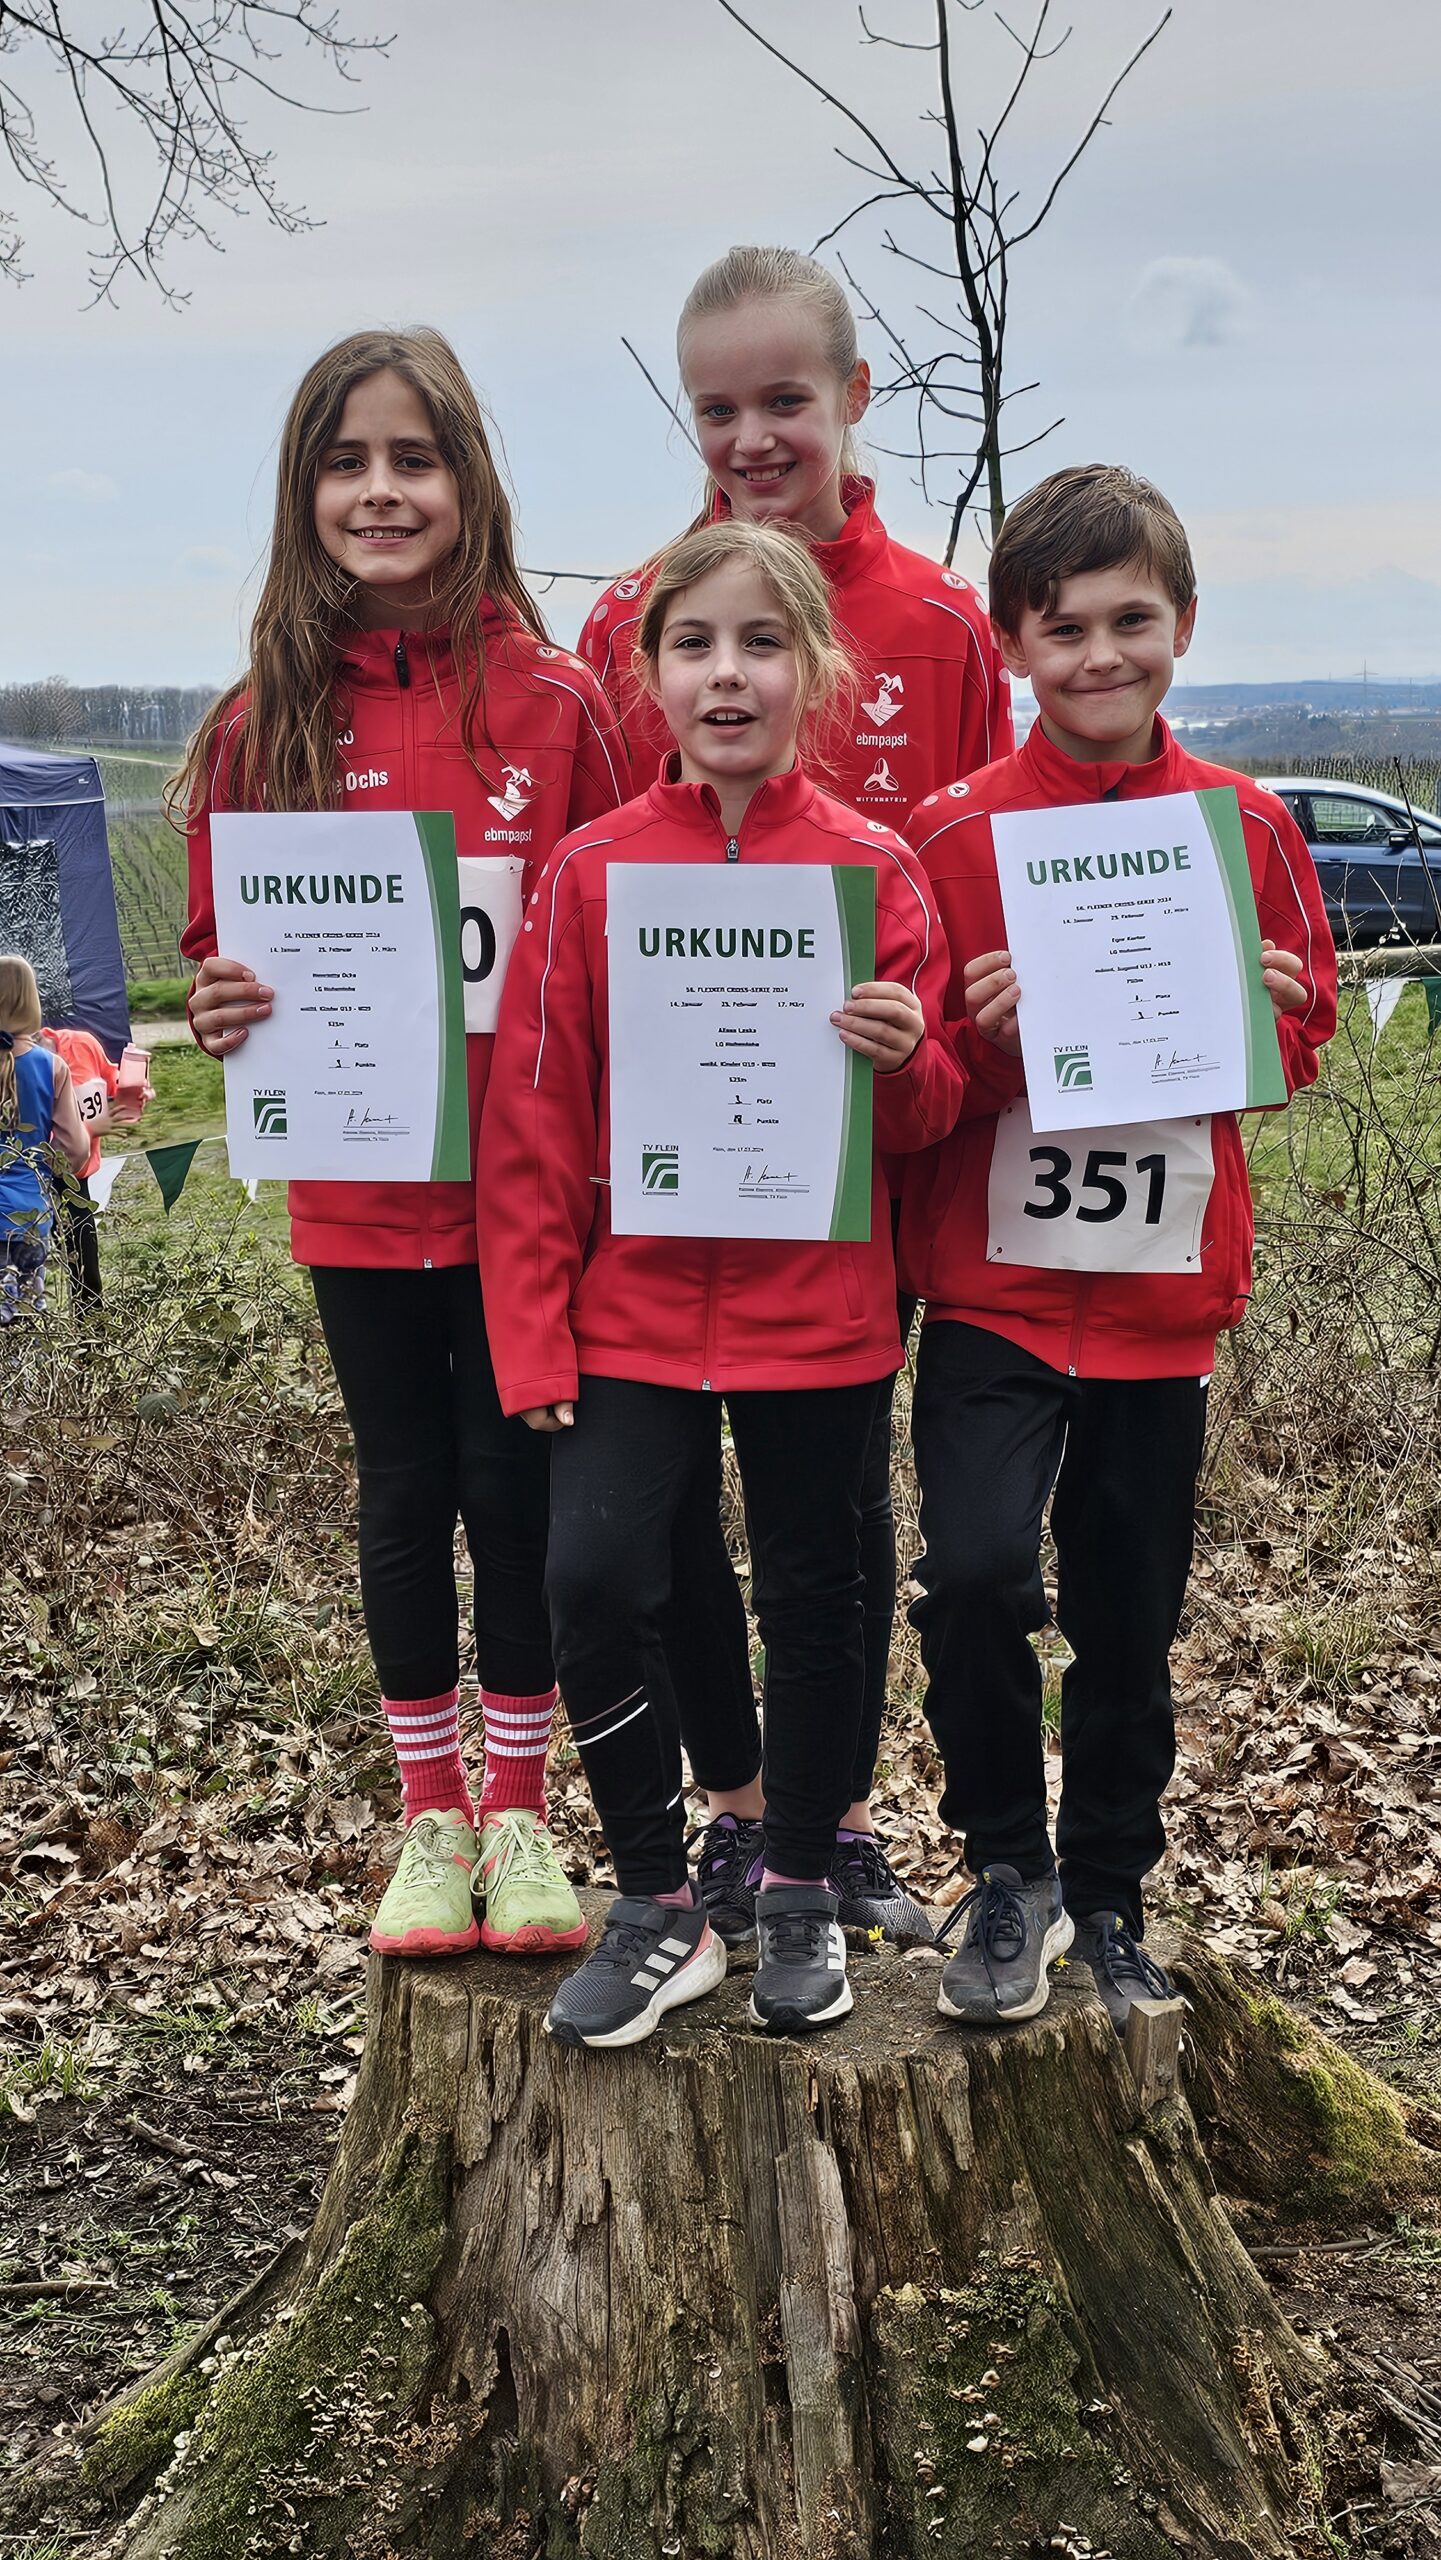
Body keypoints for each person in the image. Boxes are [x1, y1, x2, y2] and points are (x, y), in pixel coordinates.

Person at [577, 243, 1014, 1947]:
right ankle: (738, 1809)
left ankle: (833, 1827)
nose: (752, 436)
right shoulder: (630, 616)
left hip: (869, 1170)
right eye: (717, 408)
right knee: (671, 1513)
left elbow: (974, 873)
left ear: (854, 397)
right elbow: (597, 888)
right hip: (673, 1185)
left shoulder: (942, 624)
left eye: (784, 398)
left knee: (831, 1516)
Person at [479, 517, 964, 2049]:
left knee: (819, 1597)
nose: (728, 673)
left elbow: (927, 1117)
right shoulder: (588, 870)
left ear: (815, 669)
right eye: (694, 645)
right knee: (591, 1581)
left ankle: (801, 1883)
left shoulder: (873, 869)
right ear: (653, 675)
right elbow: (535, 1120)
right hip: (630, 1315)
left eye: (762, 643)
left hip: (821, 1316)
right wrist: (532, 1333)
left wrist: (905, 1060)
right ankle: (657, 1904)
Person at [176, 328, 629, 1961]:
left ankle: (521, 1813)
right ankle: (428, 1817)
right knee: (402, 1491)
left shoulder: (560, 703)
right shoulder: (266, 722)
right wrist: (224, 1004)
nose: (381, 492)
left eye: (413, 460)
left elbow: (621, 917)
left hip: (525, 1203)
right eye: (347, 463)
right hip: (359, 1193)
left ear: (468, 482)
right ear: (305, 494)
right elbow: (222, 954)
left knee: (513, 1491)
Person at [897, 463, 1337, 2032]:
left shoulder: (1246, 826)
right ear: (1014, 641)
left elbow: (1299, 1041)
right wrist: (976, 1034)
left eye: (1129, 621)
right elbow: (917, 1086)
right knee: (972, 1576)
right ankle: (1005, 1871)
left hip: (1159, 1299)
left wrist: (1275, 1014)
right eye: (1064, 626)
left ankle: (1110, 1895)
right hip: (993, 1292)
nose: (1099, 655)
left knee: (1128, 1618)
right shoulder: (950, 833)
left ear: (1184, 627)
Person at [0, 959, 89, 1322]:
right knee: (25, 1318)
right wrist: (52, 1170)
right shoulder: (51, 1066)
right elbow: (75, 1149)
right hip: (29, 1213)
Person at [39, 1022, 127, 1306]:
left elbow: (111, 1078)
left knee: (83, 1260)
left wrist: (133, 1086)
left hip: (74, 1175)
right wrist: (91, 1128)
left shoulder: (82, 1043)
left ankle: (90, 1321)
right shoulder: (17, 1065)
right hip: (29, 1175)